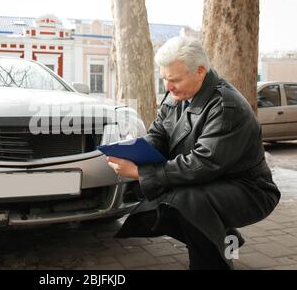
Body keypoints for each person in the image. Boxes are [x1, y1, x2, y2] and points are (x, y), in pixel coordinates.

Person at [106, 36, 280, 270]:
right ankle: (224, 240)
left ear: (200, 71)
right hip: (208, 182)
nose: (168, 87)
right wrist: (133, 152)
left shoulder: (227, 107)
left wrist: (140, 171)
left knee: (185, 203)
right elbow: (158, 134)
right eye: (165, 79)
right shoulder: (178, 94)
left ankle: (211, 261)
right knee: (161, 205)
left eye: (175, 79)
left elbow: (202, 164)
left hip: (249, 190)